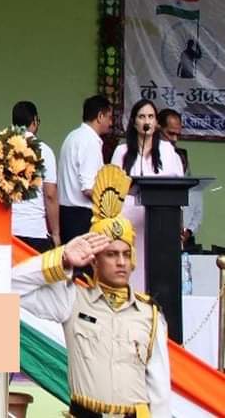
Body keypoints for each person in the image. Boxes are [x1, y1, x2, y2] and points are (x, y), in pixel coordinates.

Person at [13, 164, 169, 418]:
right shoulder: (72, 300)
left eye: (126, 254)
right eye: (111, 254)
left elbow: (160, 391)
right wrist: (62, 257)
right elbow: (9, 287)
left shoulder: (150, 314)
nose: (121, 262)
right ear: (94, 260)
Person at [109, 99, 184, 291]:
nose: (147, 121)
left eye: (151, 116)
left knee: (156, 275)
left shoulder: (167, 151)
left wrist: (179, 225)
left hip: (160, 222)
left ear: (156, 123)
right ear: (134, 122)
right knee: (132, 271)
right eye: (142, 116)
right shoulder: (122, 152)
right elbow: (112, 188)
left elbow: (179, 188)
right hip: (128, 222)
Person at [58, 94, 112, 243]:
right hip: (81, 216)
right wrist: (111, 204)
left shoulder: (72, 136)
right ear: (100, 116)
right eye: (109, 117)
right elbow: (88, 188)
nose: (111, 123)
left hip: (66, 212)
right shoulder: (90, 141)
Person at [10, 100, 61, 253]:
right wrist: (56, 233)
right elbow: (50, 195)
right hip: (34, 229)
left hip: (8, 229)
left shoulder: (2, 148)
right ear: (34, 121)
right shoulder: (44, 150)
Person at [159, 109, 200, 245]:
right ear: (158, 128)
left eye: (178, 135)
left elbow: (179, 200)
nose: (175, 139)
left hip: (171, 227)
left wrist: (181, 229)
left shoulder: (175, 158)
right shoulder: (140, 153)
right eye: (171, 133)